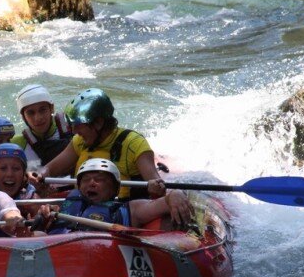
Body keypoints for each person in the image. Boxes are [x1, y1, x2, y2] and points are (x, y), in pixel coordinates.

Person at [29, 87, 192, 223]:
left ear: (98, 123)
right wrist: (39, 175)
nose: (74, 131)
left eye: (78, 125)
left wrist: (162, 191)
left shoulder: (133, 144)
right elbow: (49, 169)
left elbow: (157, 188)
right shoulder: (80, 141)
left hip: (120, 213)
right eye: (72, 125)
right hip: (82, 208)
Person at [48, 159, 179, 233]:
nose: (92, 183)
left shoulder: (128, 210)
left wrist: (175, 195)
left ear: (115, 189)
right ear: (79, 186)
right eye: (86, 179)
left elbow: (161, 204)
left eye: (100, 179)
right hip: (55, 255)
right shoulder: (65, 206)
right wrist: (44, 218)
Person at [11, 84, 73, 167]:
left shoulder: (74, 128)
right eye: (31, 113)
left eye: (42, 110)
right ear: (23, 117)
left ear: (52, 108)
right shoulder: (17, 144)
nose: (38, 118)